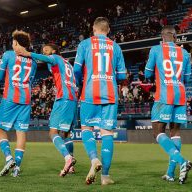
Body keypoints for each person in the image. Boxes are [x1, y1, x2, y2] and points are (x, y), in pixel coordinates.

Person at [74, 17, 126, 185]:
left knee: (86, 128)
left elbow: (76, 69)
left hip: (89, 92)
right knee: (107, 134)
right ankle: (105, 177)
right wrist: (111, 77)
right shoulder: (116, 47)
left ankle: (94, 159)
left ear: (94, 28)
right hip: (110, 94)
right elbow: (123, 75)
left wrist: (83, 80)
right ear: (108, 30)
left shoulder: (84, 44)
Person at [15, 44, 78, 177]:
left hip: (63, 98)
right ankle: (70, 167)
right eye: (43, 51)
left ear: (54, 51)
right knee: (66, 133)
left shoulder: (55, 58)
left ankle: (68, 158)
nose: (44, 52)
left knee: (53, 132)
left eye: (47, 50)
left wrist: (28, 54)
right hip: (73, 99)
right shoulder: (68, 64)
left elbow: (48, 60)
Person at [145, 25, 191, 184]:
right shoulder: (184, 52)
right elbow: (187, 79)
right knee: (175, 131)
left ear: (162, 36)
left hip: (164, 94)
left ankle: (182, 161)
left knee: (157, 132)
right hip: (181, 94)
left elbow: (148, 73)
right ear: (175, 36)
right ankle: (170, 174)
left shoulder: (156, 50)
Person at [0, 30, 37, 178]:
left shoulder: (8, 55)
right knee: (21, 133)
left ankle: (8, 158)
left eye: (13, 41)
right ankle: (17, 168)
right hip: (26, 99)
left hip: (11, 97)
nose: (12, 44)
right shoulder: (33, 60)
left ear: (16, 43)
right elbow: (30, 81)